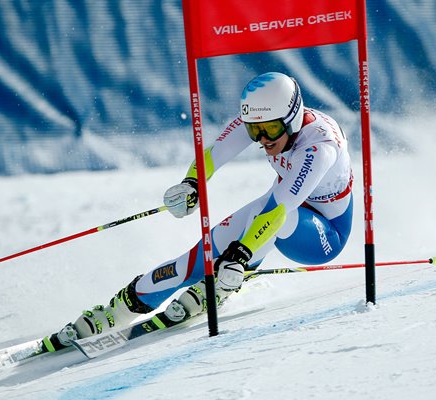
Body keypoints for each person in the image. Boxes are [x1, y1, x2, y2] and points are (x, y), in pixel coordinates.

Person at [42, 72, 353, 352]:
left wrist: (240, 257)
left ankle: (221, 285)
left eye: (270, 129)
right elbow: (214, 155)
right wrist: (191, 184)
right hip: (277, 211)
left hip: (323, 234)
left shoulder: (319, 146)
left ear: (294, 118)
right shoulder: (264, 119)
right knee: (199, 256)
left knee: (263, 213)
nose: (263, 139)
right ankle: (122, 307)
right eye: (254, 130)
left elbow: (279, 211)